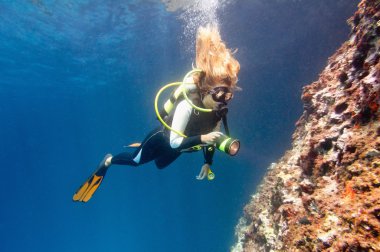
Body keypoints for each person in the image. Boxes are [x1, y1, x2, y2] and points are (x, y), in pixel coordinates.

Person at [73, 25, 240, 202]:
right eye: (220, 94)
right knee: (135, 161)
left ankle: (142, 147)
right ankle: (108, 161)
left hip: (181, 146)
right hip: (165, 138)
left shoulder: (217, 113)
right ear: (206, 91)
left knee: (160, 165)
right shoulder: (187, 106)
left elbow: (212, 139)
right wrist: (202, 139)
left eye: (228, 95)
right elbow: (177, 142)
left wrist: (207, 162)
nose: (223, 100)